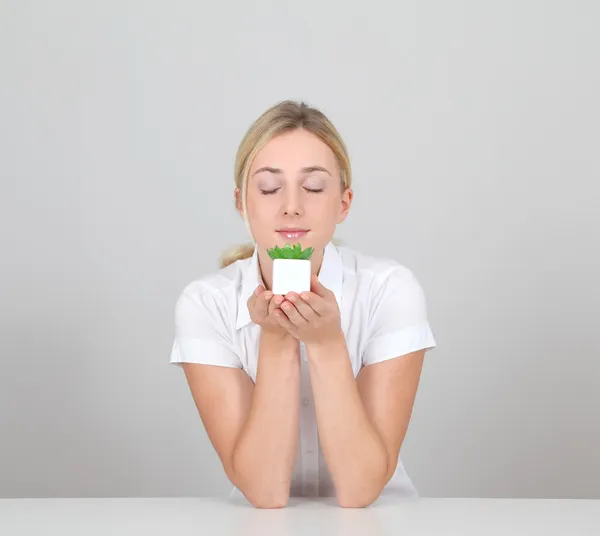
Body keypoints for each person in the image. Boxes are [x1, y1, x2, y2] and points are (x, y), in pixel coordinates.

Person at [169, 100, 437, 509]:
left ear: (344, 203)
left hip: (383, 522)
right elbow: (264, 491)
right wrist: (276, 338)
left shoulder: (390, 290)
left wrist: (328, 345)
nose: (291, 205)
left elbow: (362, 488)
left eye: (312, 187)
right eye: (269, 188)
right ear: (241, 203)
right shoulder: (206, 304)